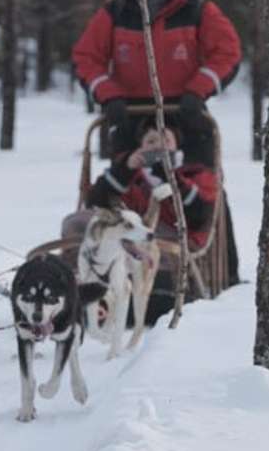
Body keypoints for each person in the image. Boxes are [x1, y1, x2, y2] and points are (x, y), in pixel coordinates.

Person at [72, 0, 242, 157]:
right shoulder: (115, 13)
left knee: (198, 179)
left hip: (186, 113)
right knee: (127, 178)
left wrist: (198, 90)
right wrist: (108, 95)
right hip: (129, 116)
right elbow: (85, 58)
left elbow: (227, 54)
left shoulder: (197, 10)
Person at [83, 125, 219, 326]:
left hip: (174, 239)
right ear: (140, 147)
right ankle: (91, 294)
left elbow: (200, 216)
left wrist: (171, 177)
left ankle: (151, 299)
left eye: (165, 141)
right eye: (151, 142)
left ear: (177, 146)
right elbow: (95, 203)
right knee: (80, 223)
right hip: (128, 241)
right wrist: (125, 169)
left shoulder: (195, 174)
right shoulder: (132, 176)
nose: (158, 147)